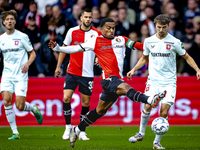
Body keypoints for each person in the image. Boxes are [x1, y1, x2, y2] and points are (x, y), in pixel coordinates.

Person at [49, 17, 167, 148]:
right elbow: (76, 48)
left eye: (113, 28)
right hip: (108, 78)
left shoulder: (121, 39)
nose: (111, 30)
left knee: (100, 111)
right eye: (108, 28)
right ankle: (150, 100)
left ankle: (76, 130)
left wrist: (154, 45)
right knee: (126, 88)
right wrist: (58, 48)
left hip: (117, 78)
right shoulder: (95, 41)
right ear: (102, 29)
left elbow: (137, 45)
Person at [127, 14, 200, 149]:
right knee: (147, 106)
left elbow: (187, 57)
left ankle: (156, 142)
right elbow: (144, 58)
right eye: (159, 27)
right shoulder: (149, 41)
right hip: (153, 81)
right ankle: (141, 133)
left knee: (164, 111)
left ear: (168, 26)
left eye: (164, 27)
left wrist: (197, 69)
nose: (161, 30)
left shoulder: (175, 42)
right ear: (155, 26)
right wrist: (133, 69)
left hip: (169, 82)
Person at [54, 8, 102, 141]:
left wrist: (98, 58)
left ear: (92, 18)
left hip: (87, 74)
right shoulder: (72, 31)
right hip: (72, 71)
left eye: (90, 17)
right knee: (66, 98)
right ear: (81, 18)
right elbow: (63, 49)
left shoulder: (97, 33)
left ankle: (81, 131)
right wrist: (58, 67)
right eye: (85, 17)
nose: (88, 19)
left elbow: (101, 50)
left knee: (85, 102)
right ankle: (68, 126)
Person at [0, 10, 43, 140]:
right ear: (3, 22)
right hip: (7, 75)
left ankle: (33, 109)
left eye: (11, 19)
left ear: (14, 21)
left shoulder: (22, 36)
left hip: (20, 75)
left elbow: (33, 54)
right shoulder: (1, 38)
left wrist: (27, 65)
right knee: (7, 101)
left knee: (19, 105)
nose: (9, 21)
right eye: (7, 19)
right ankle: (15, 132)